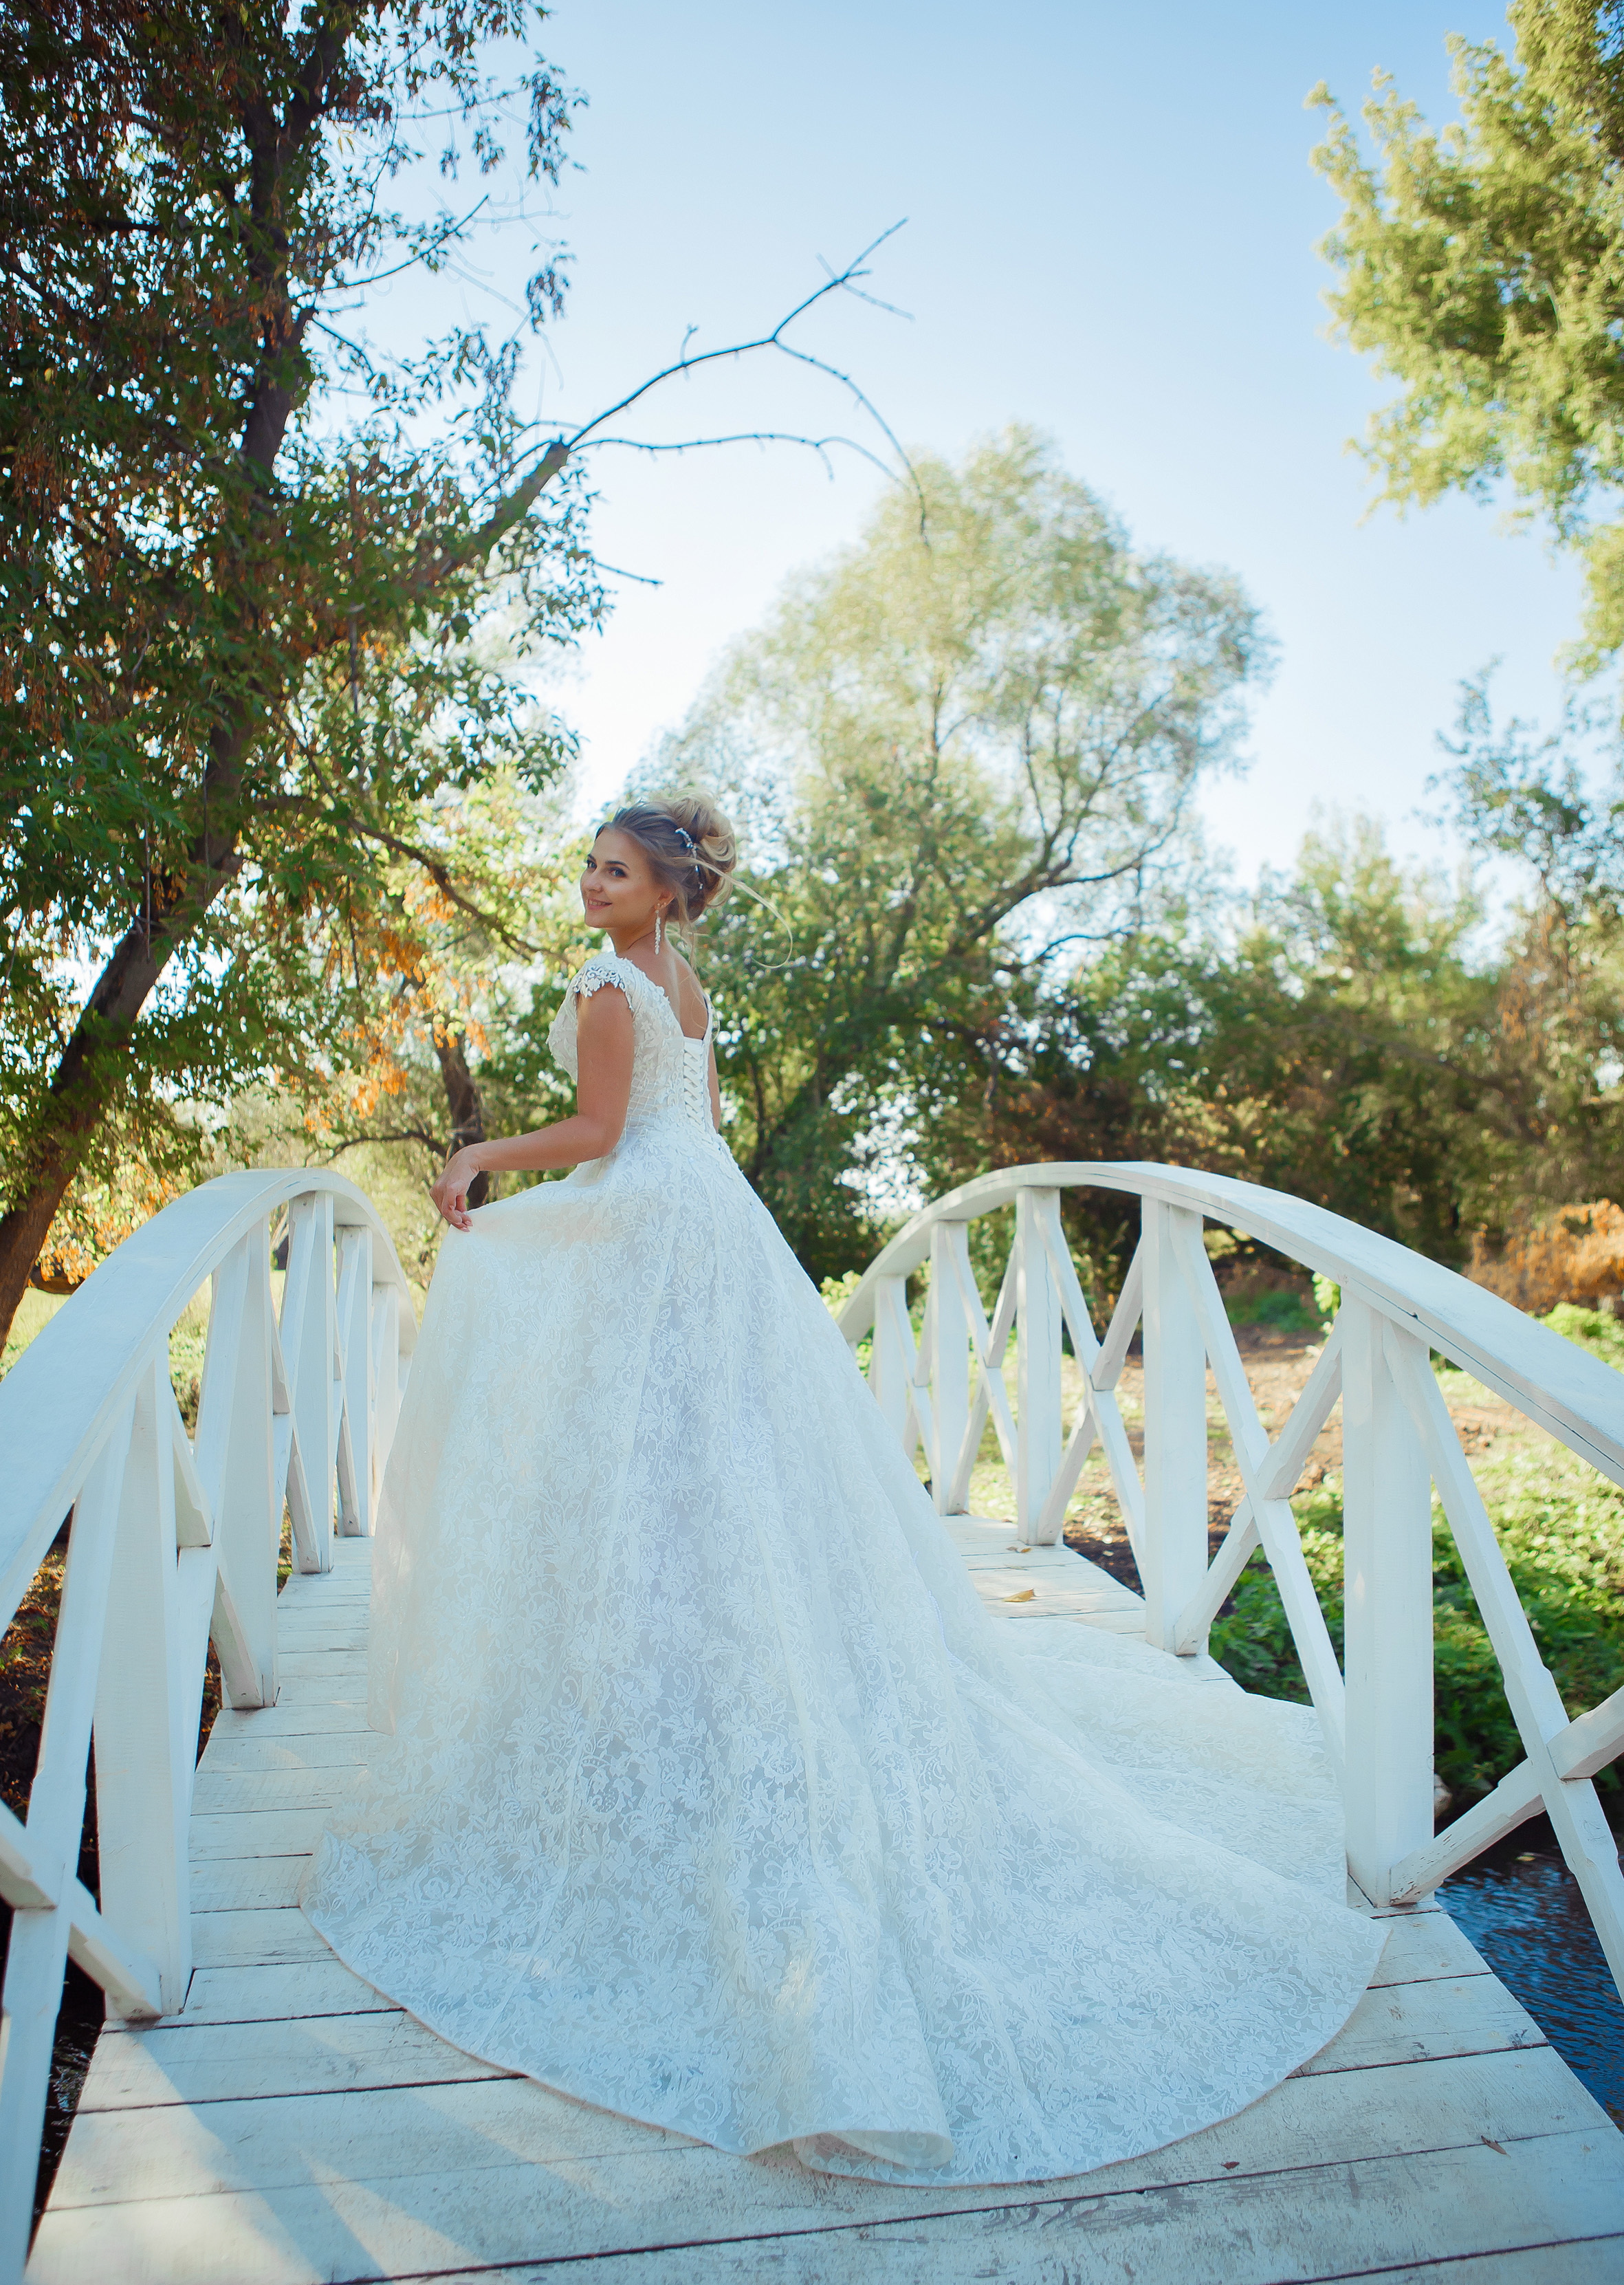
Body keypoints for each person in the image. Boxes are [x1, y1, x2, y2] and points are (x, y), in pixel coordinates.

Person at [301, 788, 1383, 2187]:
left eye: (612, 868)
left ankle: (651, 1682)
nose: (588, 883)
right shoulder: (685, 982)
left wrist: (474, 1158)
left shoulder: (614, 982)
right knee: (723, 1467)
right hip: (714, 1230)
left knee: (646, 1454)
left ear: (665, 890)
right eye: (587, 864)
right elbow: (662, 1128)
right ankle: (699, 1661)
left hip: (656, 1224)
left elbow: (596, 1131)